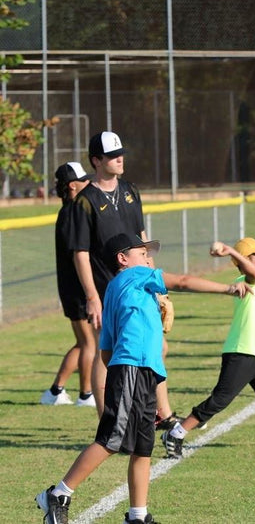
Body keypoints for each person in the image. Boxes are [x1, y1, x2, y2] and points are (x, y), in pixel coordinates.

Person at [36, 233, 250, 524]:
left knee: (142, 447)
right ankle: (58, 493)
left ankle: (137, 516)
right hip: (133, 368)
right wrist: (227, 288)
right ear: (122, 259)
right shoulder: (135, 276)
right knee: (111, 439)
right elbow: (183, 282)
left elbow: (107, 350)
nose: (148, 258)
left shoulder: (115, 290)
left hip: (138, 370)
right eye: (141, 252)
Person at [161, 237, 255, 458]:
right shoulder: (246, 281)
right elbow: (253, 274)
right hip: (240, 353)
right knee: (220, 400)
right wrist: (231, 252)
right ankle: (175, 433)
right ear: (245, 260)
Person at [69, 131, 174, 423]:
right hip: (106, 286)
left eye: (121, 154)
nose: (120, 158)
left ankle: (158, 412)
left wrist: (156, 283)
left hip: (138, 283)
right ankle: (108, 420)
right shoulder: (85, 201)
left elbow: (141, 239)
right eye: (112, 155)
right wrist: (92, 297)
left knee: (158, 345)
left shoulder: (130, 190)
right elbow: (80, 252)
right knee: (108, 346)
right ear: (96, 161)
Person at [40, 162, 97, 407]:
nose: (89, 183)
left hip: (73, 289)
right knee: (89, 344)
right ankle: (86, 394)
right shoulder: (73, 212)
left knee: (83, 342)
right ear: (73, 186)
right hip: (77, 291)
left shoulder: (69, 211)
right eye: (84, 180)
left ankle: (54, 391)